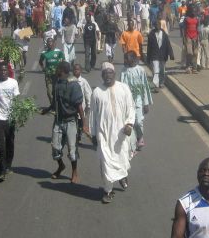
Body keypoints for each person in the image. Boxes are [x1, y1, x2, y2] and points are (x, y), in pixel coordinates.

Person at [90, 62, 135, 203]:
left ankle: (122, 175)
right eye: (105, 74)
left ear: (114, 74)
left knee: (123, 159)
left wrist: (129, 123)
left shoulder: (124, 88)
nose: (108, 76)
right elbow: (92, 115)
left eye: (110, 73)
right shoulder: (97, 92)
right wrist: (93, 135)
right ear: (102, 76)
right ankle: (108, 191)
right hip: (103, 134)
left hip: (121, 134)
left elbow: (131, 107)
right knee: (106, 162)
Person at [43, 61, 87, 183]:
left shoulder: (74, 85)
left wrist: (84, 124)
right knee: (55, 148)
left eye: (58, 69)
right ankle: (61, 166)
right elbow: (55, 102)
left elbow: (79, 107)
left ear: (62, 70)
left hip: (71, 121)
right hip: (58, 121)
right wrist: (47, 109)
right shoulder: (57, 83)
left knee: (72, 150)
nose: (56, 71)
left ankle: (74, 172)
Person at [0, 62, 20, 181]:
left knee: (10, 143)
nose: (3, 72)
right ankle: (1, 171)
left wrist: (16, 116)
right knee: (0, 147)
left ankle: (8, 165)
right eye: (1, 70)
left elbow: (16, 100)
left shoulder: (13, 83)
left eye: (5, 70)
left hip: (10, 118)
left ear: (8, 71)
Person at [121, 51, 152, 153]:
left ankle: (140, 137)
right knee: (130, 122)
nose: (125, 61)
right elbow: (120, 88)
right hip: (127, 102)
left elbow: (145, 87)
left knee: (138, 121)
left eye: (127, 58)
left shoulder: (140, 70)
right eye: (125, 59)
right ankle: (133, 144)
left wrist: (146, 103)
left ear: (133, 59)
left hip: (138, 99)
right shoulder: (123, 71)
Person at [146, 19, 174, 91]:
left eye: (159, 25)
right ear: (154, 26)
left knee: (162, 70)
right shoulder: (151, 34)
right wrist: (148, 58)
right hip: (154, 55)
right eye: (156, 25)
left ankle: (161, 82)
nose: (158, 26)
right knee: (156, 70)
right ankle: (156, 85)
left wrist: (171, 54)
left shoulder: (164, 33)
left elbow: (168, 44)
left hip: (163, 55)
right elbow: (149, 47)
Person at [39, 37, 65, 105]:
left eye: (51, 42)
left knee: (56, 91)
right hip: (48, 75)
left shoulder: (59, 52)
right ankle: (52, 104)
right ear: (46, 44)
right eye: (48, 42)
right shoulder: (44, 53)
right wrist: (43, 68)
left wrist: (61, 71)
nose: (49, 43)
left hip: (57, 75)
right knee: (49, 92)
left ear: (54, 43)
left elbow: (63, 61)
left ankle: (57, 104)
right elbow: (40, 62)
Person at [182, 8, 200, 73]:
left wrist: (198, 37)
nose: (193, 12)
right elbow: (184, 28)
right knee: (189, 52)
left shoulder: (197, 19)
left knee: (195, 53)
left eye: (194, 11)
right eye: (192, 11)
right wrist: (183, 38)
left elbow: (198, 28)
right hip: (188, 37)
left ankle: (194, 68)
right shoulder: (186, 19)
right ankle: (188, 67)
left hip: (195, 37)